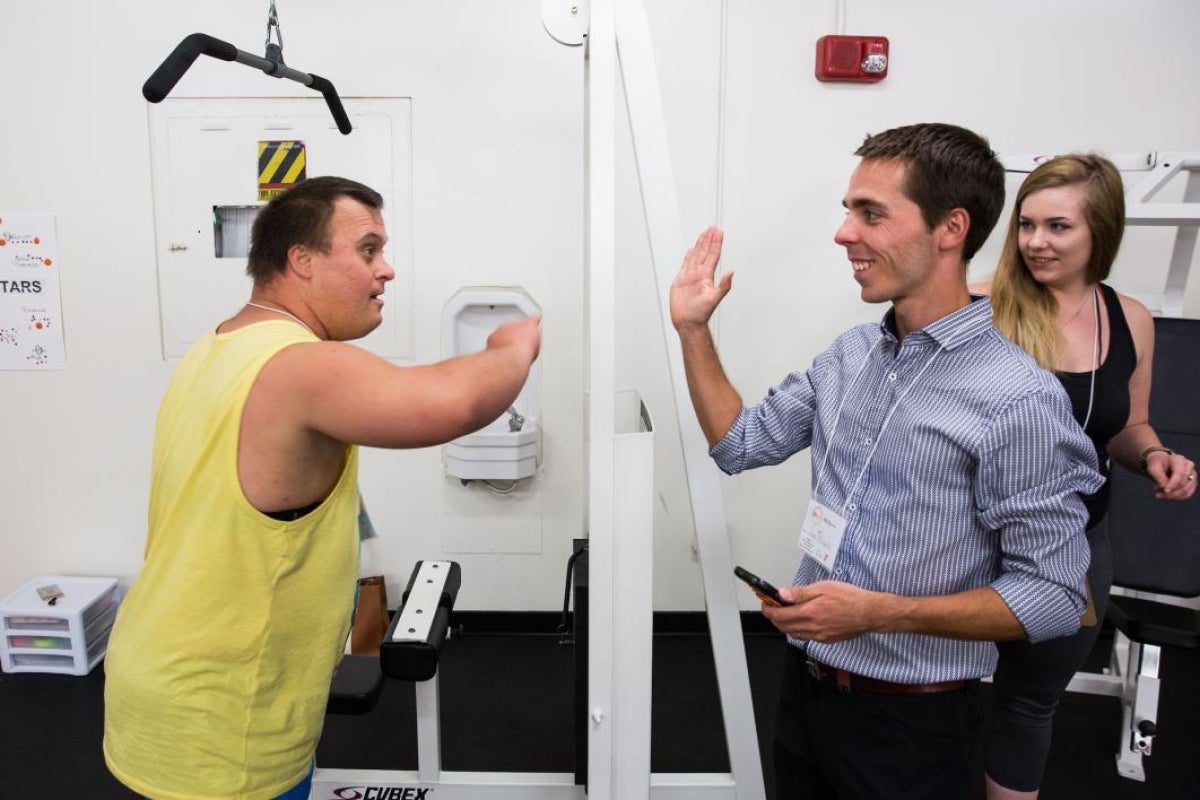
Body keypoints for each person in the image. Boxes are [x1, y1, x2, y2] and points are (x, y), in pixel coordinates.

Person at [669, 123, 1104, 799]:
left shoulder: (1017, 399)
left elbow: (1052, 597)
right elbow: (740, 444)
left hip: (913, 719)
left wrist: (879, 612)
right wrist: (693, 331)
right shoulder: (851, 355)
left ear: (950, 229)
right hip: (806, 688)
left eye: (870, 213)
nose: (845, 233)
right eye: (849, 211)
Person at [102, 176, 541, 800]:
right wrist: (514, 343)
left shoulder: (221, 346)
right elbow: (455, 402)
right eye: (368, 250)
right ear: (300, 261)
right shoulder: (299, 364)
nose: (386, 271)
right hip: (222, 723)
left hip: (161, 683)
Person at [975, 154, 1196, 799]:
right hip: (969, 535)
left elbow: (1130, 424)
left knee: (1031, 700)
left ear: (1101, 229)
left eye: (1058, 227)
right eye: (1027, 225)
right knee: (939, 690)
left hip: (1074, 539)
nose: (1036, 242)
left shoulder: (1131, 319)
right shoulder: (980, 307)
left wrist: (1153, 455)